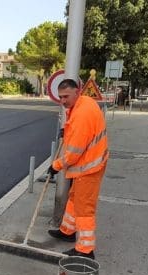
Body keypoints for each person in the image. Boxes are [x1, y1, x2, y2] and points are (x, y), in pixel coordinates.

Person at [47, 78, 110, 259]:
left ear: (77, 91)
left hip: (89, 167)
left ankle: (85, 250)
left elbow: (74, 152)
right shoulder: (84, 103)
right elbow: (76, 132)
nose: (63, 101)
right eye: (60, 97)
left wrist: (55, 166)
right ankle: (67, 231)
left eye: (66, 96)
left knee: (84, 210)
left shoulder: (83, 114)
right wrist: (65, 131)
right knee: (74, 199)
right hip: (90, 163)